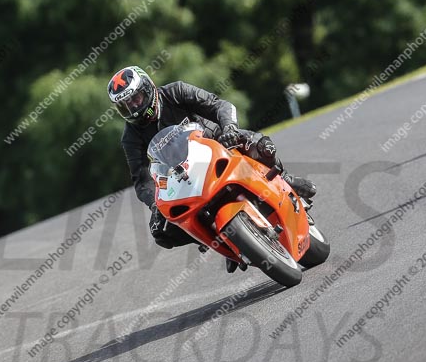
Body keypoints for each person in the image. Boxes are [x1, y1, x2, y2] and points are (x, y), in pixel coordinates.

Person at [108, 65, 317, 268]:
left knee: (262, 146)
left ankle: (284, 179)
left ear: (148, 88)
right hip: (182, 176)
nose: (134, 107)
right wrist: (155, 206)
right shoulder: (131, 136)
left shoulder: (176, 91)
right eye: (126, 106)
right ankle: (221, 239)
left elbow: (219, 105)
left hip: (218, 143)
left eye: (136, 98)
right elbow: (142, 180)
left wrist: (229, 128)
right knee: (161, 233)